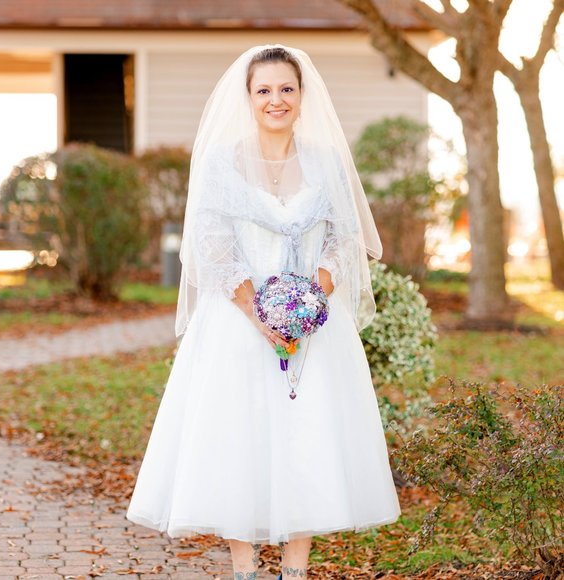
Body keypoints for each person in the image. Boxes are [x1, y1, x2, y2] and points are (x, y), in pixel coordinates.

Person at [126, 44, 401, 579]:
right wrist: (262, 314)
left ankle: (295, 569)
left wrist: (310, 300)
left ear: (302, 95)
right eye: (265, 90)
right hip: (237, 322)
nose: (277, 99)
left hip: (314, 324)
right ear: (248, 97)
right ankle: (244, 567)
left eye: (286, 89)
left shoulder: (325, 161)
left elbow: (346, 239)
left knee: (307, 437)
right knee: (238, 437)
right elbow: (213, 246)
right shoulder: (221, 162)